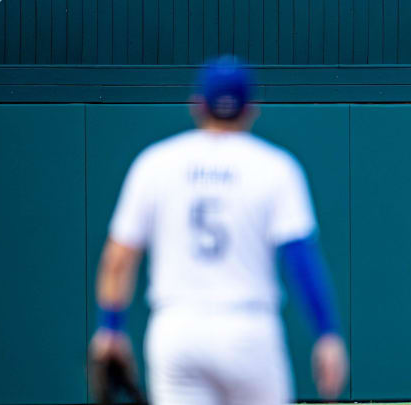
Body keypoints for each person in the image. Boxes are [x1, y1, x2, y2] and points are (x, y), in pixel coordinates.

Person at [89, 55, 348, 404]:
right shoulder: (274, 167)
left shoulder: (156, 163)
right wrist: (326, 334)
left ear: (197, 105)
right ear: (251, 108)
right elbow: (301, 261)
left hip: (177, 330)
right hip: (248, 329)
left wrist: (111, 329)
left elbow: (119, 258)